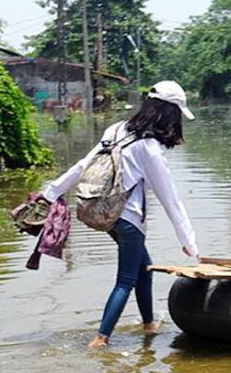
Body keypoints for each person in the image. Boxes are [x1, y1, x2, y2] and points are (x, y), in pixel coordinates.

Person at [40, 80, 200, 348]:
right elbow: (171, 199)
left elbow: (83, 165)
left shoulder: (117, 130)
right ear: (169, 114)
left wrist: (52, 192)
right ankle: (101, 339)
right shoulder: (149, 148)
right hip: (128, 220)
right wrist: (190, 243)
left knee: (144, 269)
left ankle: (149, 325)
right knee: (126, 280)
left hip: (108, 216)